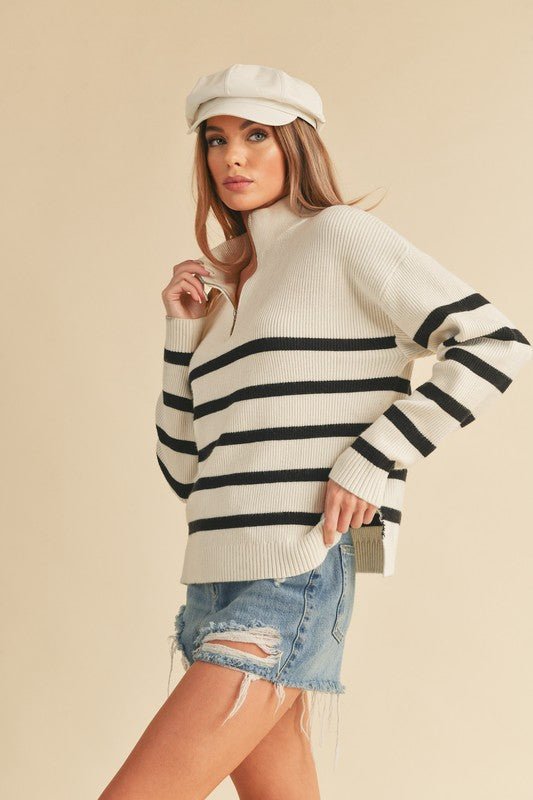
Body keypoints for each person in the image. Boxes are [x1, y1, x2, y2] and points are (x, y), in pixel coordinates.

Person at [98, 64, 532, 800]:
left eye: (255, 135)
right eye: (216, 139)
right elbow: (184, 469)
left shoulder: (337, 235)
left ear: (294, 145)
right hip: (210, 578)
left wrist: (371, 461)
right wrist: (180, 332)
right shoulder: (225, 282)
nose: (232, 157)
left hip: (293, 567)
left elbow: (495, 343)